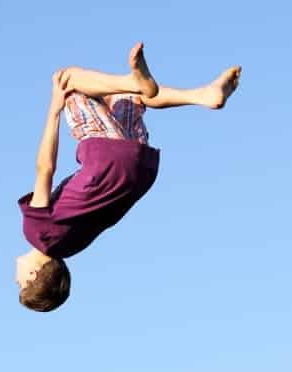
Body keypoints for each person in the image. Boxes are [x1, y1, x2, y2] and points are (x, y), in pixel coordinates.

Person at [15, 42, 241, 312]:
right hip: (107, 158)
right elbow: (45, 169)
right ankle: (132, 81)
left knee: (126, 97)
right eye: (20, 284)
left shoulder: (73, 245)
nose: (15, 279)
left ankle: (203, 96)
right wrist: (54, 110)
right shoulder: (35, 232)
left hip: (140, 170)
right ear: (34, 275)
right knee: (68, 81)